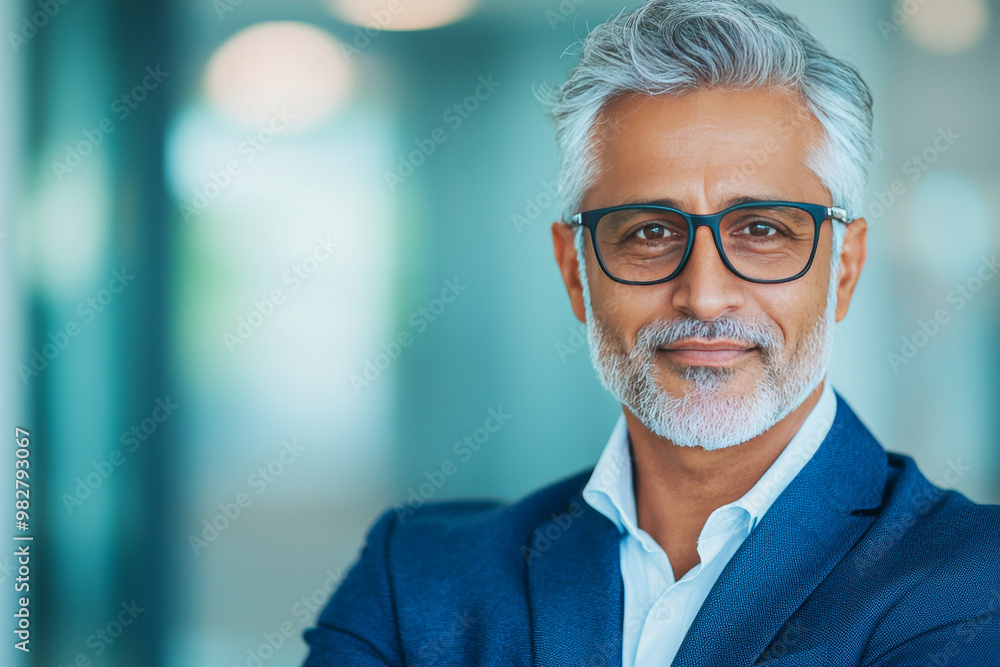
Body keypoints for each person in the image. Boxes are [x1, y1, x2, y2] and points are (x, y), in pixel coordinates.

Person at [302, 1, 1000, 665]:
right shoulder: (416, 580)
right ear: (576, 273)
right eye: (650, 232)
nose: (703, 293)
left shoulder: (970, 581)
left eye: (761, 230)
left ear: (843, 269)